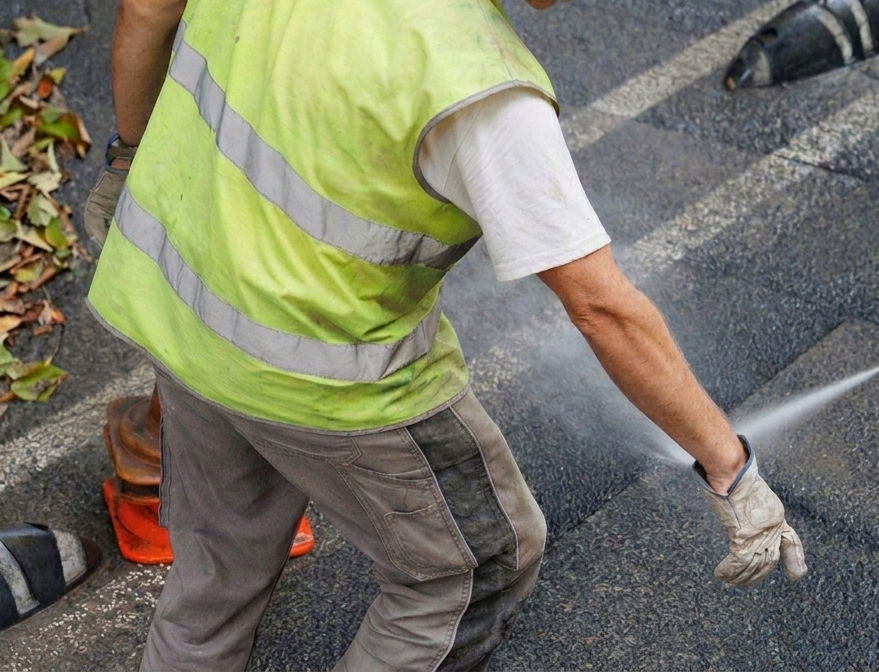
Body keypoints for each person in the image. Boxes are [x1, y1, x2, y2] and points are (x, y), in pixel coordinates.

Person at [86, 0, 807, 669]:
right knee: (474, 571)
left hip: (178, 307)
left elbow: (149, 7)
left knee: (215, 567)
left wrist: (128, 157)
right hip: (319, 375)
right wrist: (728, 466)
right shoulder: (476, 88)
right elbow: (602, 308)